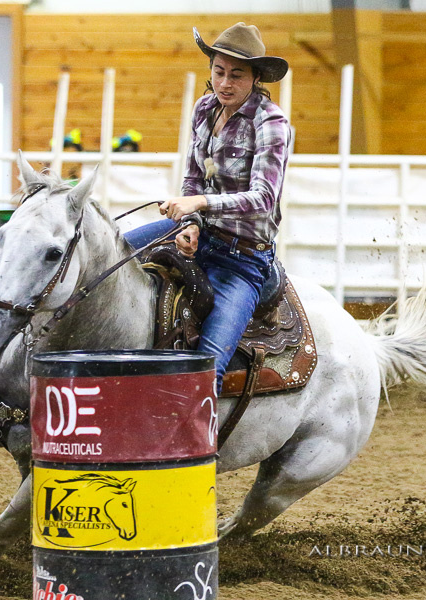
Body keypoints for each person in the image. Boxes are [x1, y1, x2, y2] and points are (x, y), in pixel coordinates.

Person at [123, 22, 291, 394]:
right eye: (218, 72)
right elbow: (193, 178)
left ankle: (199, 448)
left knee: (206, 370)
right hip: (205, 237)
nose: (225, 83)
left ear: (256, 77)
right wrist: (192, 223)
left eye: (236, 74)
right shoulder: (205, 109)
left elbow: (263, 197)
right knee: (110, 255)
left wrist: (198, 204)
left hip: (243, 258)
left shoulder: (271, 123)